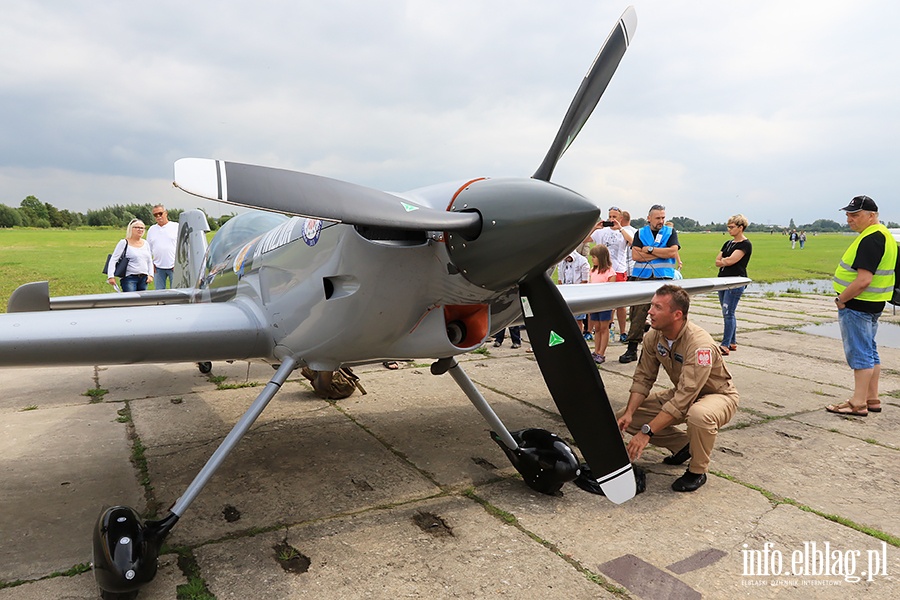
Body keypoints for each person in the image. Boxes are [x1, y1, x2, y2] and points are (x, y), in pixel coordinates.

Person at [617, 284, 740, 492]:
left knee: (699, 415)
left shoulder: (699, 345)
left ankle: (697, 471)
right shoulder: (654, 337)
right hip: (685, 392)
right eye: (651, 305)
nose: (649, 311)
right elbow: (643, 378)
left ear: (677, 314)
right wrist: (629, 412)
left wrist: (647, 432)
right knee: (627, 418)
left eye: (657, 307)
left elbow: (684, 398)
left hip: (717, 395)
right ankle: (684, 446)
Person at [826, 195, 897, 417]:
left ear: (871, 216)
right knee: (870, 352)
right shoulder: (884, 235)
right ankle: (872, 398)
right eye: (848, 214)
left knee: (860, 355)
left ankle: (858, 402)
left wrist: (842, 300)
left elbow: (863, 280)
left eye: (855, 215)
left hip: (858, 305)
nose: (850, 219)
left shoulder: (871, 238)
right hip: (872, 305)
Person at [619, 204, 681, 363]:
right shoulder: (641, 232)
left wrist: (650, 250)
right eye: (658, 218)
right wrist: (662, 253)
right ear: (649, 218)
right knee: (637, 314)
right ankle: (632, 349)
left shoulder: (670, 232)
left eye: (663, 218)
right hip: (642, 277)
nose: (661, 221)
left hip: (663, 278)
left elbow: (673, 252)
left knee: (664, 314)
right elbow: (636, 256)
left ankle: (665, 351)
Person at [584, 206, 634, 343]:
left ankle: (623, 331)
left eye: (614, 217)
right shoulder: (602, 232)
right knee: (596, 301)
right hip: (601, 270)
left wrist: (620, 228)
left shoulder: (625, 231)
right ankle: (590, 330)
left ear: (620, 218)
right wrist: (595, 227)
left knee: (620, 303)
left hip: (618, 270)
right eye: (610, 216)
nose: (611, 219)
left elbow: (633, 243)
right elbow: (584, 240)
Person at [715, 214, 752, 354]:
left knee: (728, 312)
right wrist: (724, 260)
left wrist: (724, 260)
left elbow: (731, 261)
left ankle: (725, 344)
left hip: (735, 281)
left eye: (732, 227)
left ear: (740, 227)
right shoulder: (728, 243)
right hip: (722, 281)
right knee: (728, 313)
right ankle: (732, 341)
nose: (729, 230)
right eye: (728, 227)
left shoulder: (745, 245)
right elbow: (718, 260)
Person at [587, 245, 616, 363]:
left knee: (604, 328)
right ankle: (596, 350)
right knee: (597, 328)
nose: (592, 259)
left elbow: (611, 290)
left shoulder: (610, 272)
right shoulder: (593, 271)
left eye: (594, 257)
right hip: (595, 303)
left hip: (605, 304)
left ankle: (601, 353)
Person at [106, 219, 154, 292]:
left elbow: (149, 260)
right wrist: (111, 276)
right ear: (131, 229)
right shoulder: (124, 243)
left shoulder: (145, 243)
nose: (140, 230)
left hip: (144, 278)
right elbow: (114, 259)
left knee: (142, 302)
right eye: (137, 227)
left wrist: (151, 275)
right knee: (131, 300)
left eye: (142, 228)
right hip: (129, 278)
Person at [146, 204, 179, 289]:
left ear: (166, 213)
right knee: (159, 293)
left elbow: (183, 247)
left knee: (176, 292)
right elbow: (148, 249)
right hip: (158, 268)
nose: (158, 216)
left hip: (174, 266)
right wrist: (151, 264)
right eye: (155, 215)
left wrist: (179, 264)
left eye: (160, 213)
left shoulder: (176, 226)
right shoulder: (152, 229)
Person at [558, 249, 590, 333]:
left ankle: (579, 335)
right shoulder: (561, 262)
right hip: (566, 293)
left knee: (578, 320)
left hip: (578, 294)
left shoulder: (582, 261)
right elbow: (560, 279)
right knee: (566, 319)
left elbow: (585, 281)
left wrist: (577, 293)